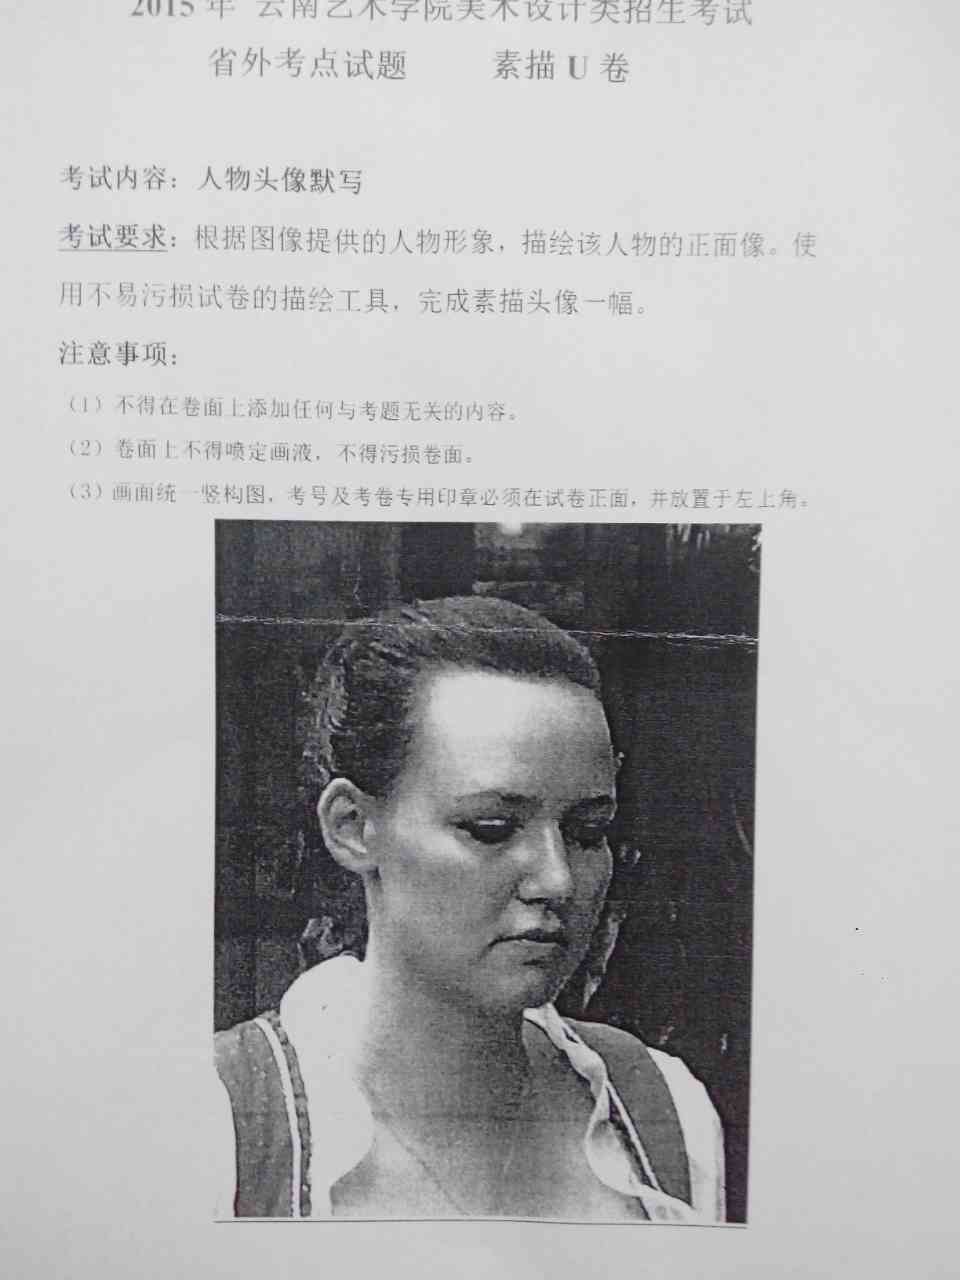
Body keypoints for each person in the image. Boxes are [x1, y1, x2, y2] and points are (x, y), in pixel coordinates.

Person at [214, 596, 725, 1221]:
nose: (558, 879)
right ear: (353, 827)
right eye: (491, 828)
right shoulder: (223, 1127)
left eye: (587, 832)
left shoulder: (664, 1115)